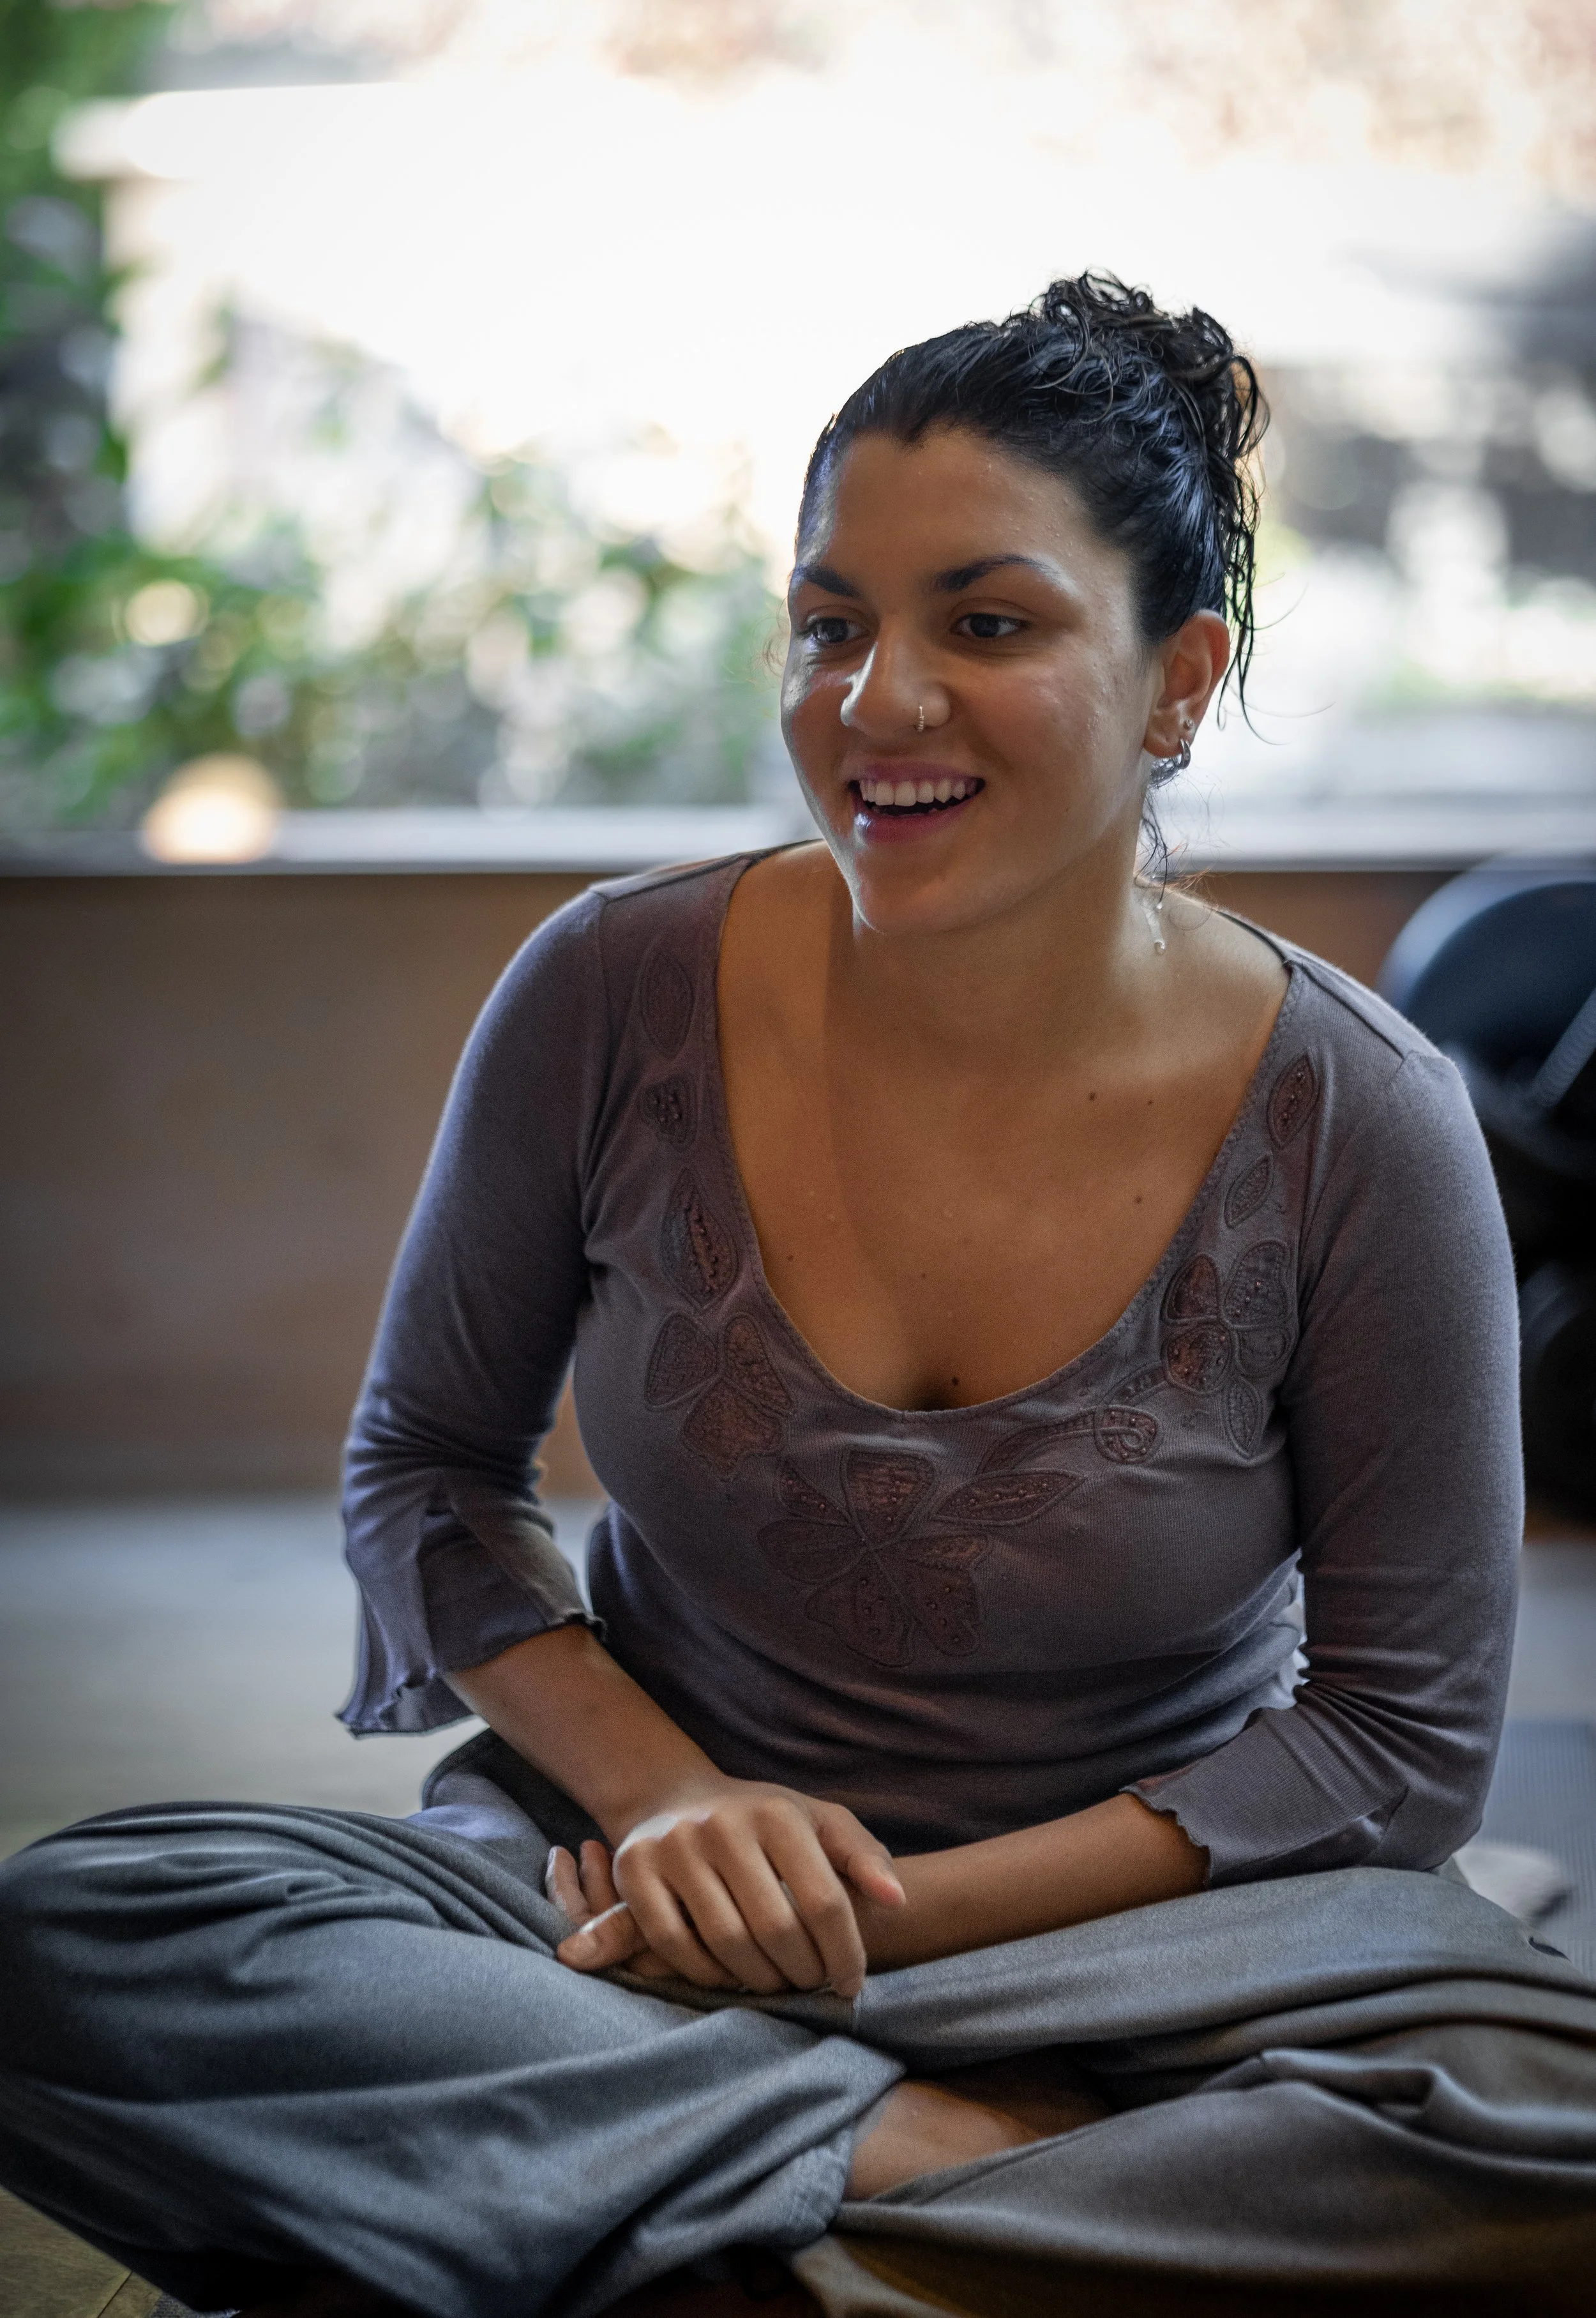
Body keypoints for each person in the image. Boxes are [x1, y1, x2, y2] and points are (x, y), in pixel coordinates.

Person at [4, 275, 1594, 2318]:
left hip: (1151, 1938)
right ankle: (950, 2186)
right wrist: (681, 1808)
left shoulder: (1359, 1117)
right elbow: (425, 1469)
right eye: (830, 623)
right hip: (630, 1887)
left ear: (1176, 681)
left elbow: (1390, 1741)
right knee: (85, 1930)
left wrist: (875, 1935)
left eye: (986, 623)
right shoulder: (608, 991)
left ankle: (658, 2208)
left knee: (1542, 2122)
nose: (873, 700)